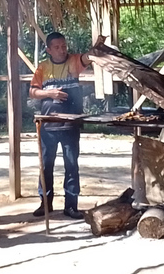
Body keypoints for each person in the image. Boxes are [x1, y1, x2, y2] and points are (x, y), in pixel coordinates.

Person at [29, 32, 106, 219]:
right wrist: (51, 94)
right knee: (46, 165)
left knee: (71, 165)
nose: (62, 50)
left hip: (71, 124)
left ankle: (71, 206)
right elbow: (32, 91)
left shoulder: (74, 61)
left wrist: (96, 49)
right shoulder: (43, 68)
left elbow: (87, 58)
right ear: (48, 50)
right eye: (57, 47)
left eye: (63, 46)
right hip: (48, 125)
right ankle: (45, 203)